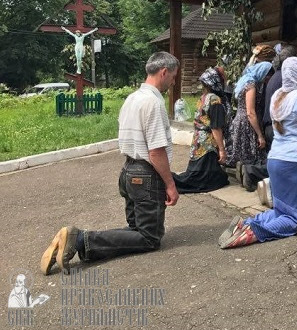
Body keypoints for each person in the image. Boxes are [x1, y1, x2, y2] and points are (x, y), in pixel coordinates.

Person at [40, 52, 179, 275]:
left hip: (128, 171)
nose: (173, 82)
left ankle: (80, 242)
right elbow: (156, 151)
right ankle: (80, 239)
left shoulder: (132, 99)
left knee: (136, 230)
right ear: (164, 72)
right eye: (173, 76)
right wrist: (170, 184)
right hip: (145, 175)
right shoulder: (153, 102)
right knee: (150, 238)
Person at [219, 57, 297, 248]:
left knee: (281, 210)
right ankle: (252, 233)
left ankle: (247, 224)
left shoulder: (277, 95)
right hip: (294, 162)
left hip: (275, 158)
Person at [242, 44, 297, 195]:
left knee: (274, 159)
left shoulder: (273, 78)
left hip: (268, 123)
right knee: (281, 162)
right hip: (276, 124)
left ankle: (254, 173)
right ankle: (252, 171)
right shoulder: (285, 78)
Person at [172, 67, 230, 193]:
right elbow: (216, 127)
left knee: (211, 176)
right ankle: (169, 181)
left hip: (199, 140)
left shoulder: (203, 97)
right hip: (207, 144)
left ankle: (170, 181)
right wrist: (222, 150)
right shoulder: (215, 100)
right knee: (199, 180)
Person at [227, 61, 274, 188]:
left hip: (242, 120)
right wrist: (260, 135)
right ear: (263, 74)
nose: (267, 80)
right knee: (252, 153)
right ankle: (247, 173)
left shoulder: (246, 80)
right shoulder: (251, 85)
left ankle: (243, 171)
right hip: (247, 123)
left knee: (245, 153)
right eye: (267, 77)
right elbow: (250, 112)